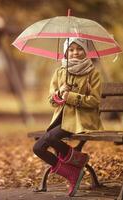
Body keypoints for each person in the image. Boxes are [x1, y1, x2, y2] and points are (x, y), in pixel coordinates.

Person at [33, 37, 103, 197]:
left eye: (79, 49)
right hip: (61, 120)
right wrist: (59, 92)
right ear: (65, 52)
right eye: (71, 50)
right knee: (37, 148)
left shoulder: (93, 73)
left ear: (85, 51)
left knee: (50, 139)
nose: (75, 53)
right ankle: (73, 170)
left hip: (82, 119)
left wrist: (71, 96)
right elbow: (51, 100)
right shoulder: (60, 72)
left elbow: (95, 101)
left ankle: (77, 162)